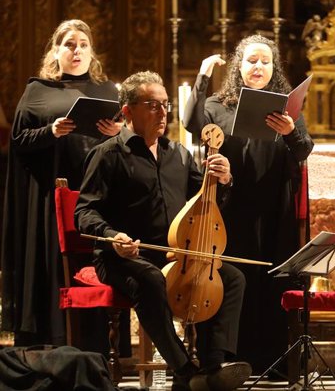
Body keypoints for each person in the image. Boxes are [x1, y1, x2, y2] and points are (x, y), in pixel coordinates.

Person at [75, 71, 252, 391]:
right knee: (151, 279)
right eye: (152, 105)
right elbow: (84, 211)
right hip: (122, 257)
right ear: (127, 111)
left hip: (173, 253)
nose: (163, 112)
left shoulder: (178, 155)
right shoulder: (108, 154)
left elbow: (205, 202)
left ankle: (214, 366)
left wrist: (223, 180)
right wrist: (113, 236)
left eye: (165, 105)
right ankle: (185, 369)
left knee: (232, 278)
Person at [183, 35, 314, 372]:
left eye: (265, 62)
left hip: (274, 205)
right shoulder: (217, 104)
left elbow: (301, 151)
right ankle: (227, 357)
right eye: (251, 61)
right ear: (239, 67)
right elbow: (192, 123)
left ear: (274, 67)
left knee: (271, 276)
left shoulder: (286, 106)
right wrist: (201, 77)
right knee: (233, 277)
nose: (258, 67)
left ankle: (274, 358)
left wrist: (289, 131)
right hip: (231, 203)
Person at [1, 19, 121, 346]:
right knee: (54, 264)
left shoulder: (108, 90)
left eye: (83, 44)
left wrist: (118, 134)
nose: (76, 50)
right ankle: (51, 340)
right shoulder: (38, 90)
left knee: (96, 265)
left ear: (91, 51)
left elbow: (127, 146)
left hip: (97, 195)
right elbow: (18, 140)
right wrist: (50, 132)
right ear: (56, 50)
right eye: (69, 44)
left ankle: (98, 345)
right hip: (49, 195)